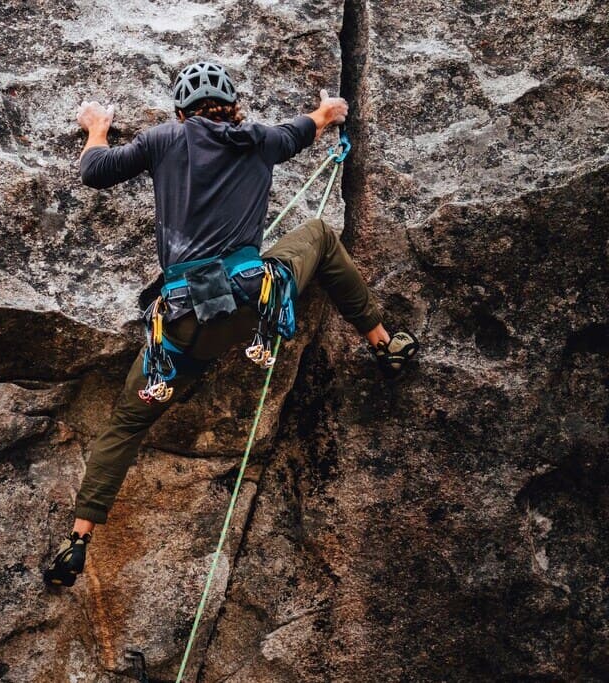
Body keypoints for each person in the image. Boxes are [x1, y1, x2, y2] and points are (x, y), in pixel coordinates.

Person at [43, 62, 418, 587]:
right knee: (318, 235)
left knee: (127, 423)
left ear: (181, 111)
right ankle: (384, 343)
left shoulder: (163, 140)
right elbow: (312, 123)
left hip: (180, 330)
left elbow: (94, 171)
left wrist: (97, 128)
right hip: (248, 306)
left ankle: (78, 539)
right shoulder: (260, 140)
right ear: (233, 105)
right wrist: (330, 110)